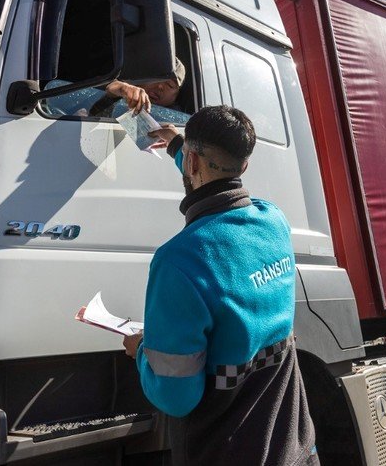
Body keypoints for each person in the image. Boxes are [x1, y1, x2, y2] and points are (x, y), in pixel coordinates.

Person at [122, 106, 319, 466]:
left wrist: (141, 352)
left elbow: (176, 397)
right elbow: (214, 178)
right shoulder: (274, 221)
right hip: (294, 448)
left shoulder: (179, 261)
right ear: (245, 165)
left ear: (192, 162)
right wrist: (178, 145)